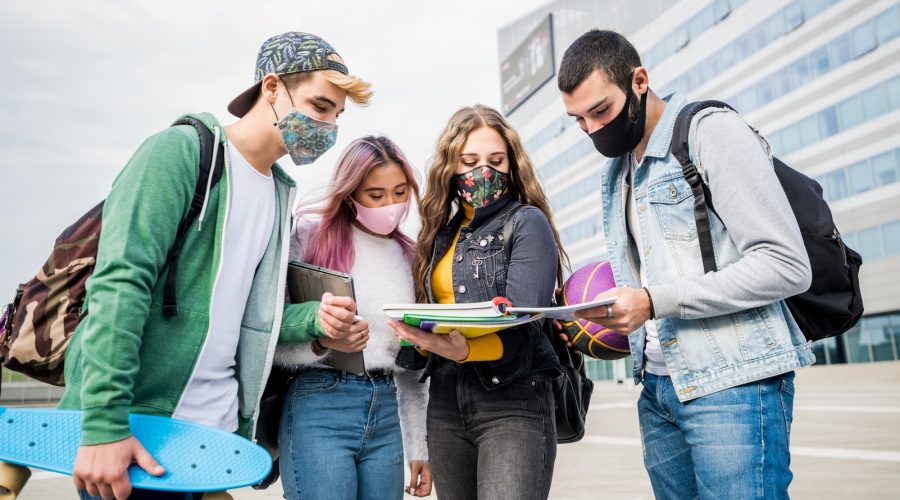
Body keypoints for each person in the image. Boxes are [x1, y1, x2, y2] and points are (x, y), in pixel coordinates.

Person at [54, 32, 371, 500]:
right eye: (320, 106)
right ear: (271, 87)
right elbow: (120, 286)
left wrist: (316, 320)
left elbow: (246, 317)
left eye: (337, 116)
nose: (328, 126)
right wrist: (103, 425)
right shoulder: (181, 152)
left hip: (213, 440)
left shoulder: (280, 193)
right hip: (140, 433)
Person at [557, 30, 815, 499]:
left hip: (734, 384)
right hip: (657, 389)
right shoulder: (618, 172)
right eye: (579, 120)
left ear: (639, 81)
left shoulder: (709, 131)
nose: (593, 130)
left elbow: (786, 265)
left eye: (601, 111)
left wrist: (654, 301)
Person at [389, 105, 568, 500]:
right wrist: (413, 339)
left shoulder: (526, 222)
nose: (481, 172)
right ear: (451, 167)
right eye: (469, 161)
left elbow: (525, 323)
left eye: (495, 160)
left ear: (512, 164)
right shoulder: (440, 234)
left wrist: (466, 348)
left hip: (512, 400)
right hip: (445, 400)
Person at [274, 135, 432, 499]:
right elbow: (270, 337)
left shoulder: (410, 257)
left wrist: (419, 446)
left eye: (399, 192)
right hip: (320, 405)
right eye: (375, 195)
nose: (390, 205)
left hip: (387, 409)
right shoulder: (309, 241)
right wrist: (322, 341)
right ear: (350, 195)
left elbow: (412, 371)